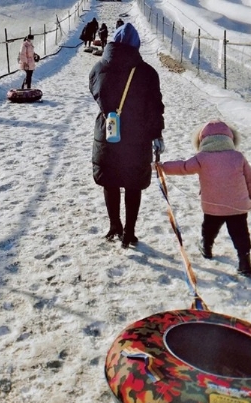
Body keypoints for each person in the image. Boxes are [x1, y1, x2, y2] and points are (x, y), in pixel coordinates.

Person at [89, 23, 165, 248]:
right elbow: (154, 108)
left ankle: (115, 225)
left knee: (110, 182)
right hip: (137, 137)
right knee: (133, 184)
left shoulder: (97, 68)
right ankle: (130, 232)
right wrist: (156, 134)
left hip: (108, 133)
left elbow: (95, 93)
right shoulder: (147, 72)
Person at [158, 120, 251, 276]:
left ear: (202, 139)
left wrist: (162, 167)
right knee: (240, 233)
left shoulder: (202, 158)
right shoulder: (238, 157)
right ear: (230, 138)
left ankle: (207, 247)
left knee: (209, 228)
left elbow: (183, 167)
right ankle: (245, 262)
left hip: (213, 206)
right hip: (238, 206)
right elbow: (250, 179)